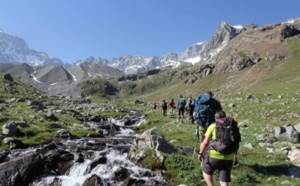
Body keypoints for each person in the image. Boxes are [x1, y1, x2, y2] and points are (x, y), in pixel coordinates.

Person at [198, 110, 239, 186]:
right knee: (224, 180)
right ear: (225, 117)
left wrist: (200, 153)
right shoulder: (232, 126)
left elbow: (205, 142)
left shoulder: (213, 126)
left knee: (206, 170)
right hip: (229, 156)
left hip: (214, 155)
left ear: (215, 118)